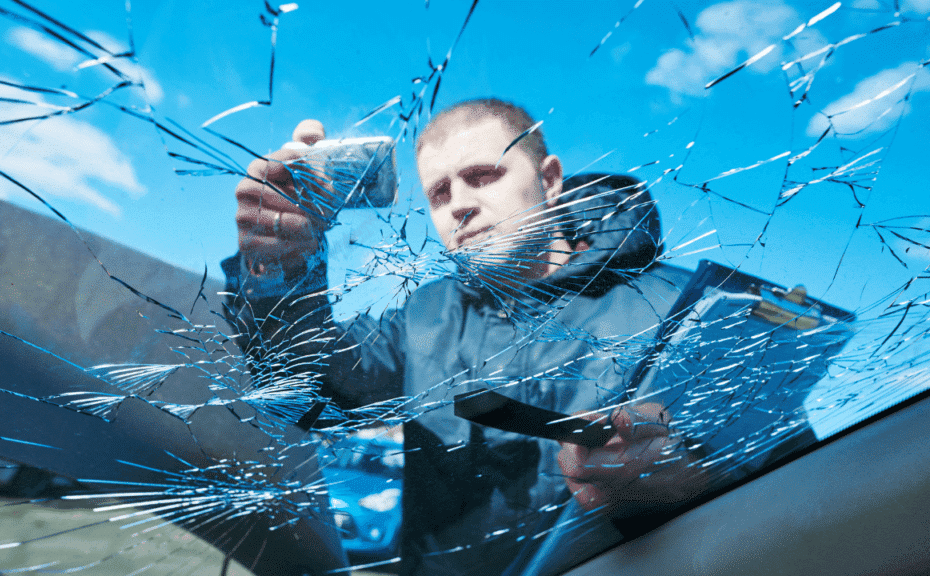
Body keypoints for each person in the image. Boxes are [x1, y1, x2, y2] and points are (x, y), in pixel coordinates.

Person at [222, 99, 707, 575]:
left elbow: (757, 470)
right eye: (438, 193)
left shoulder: (677, 306)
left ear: (549, 179)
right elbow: (313, 388)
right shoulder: (427, 312)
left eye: (482, 176)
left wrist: (688, 473)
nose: (459, 205)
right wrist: (279, 270)